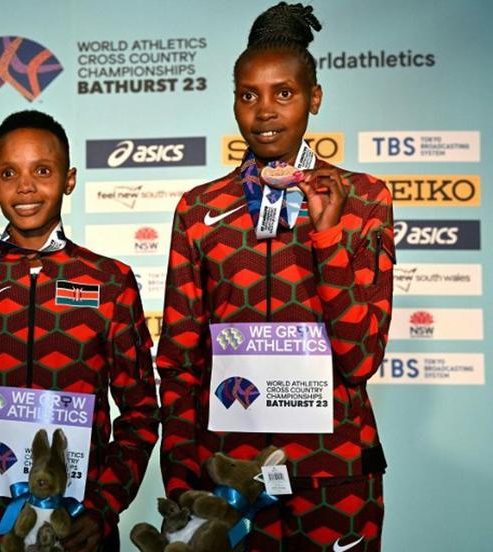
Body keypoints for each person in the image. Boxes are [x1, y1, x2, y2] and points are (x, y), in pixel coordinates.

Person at [157, 3, 394, 551]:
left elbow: (361, 358)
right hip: (228, 480)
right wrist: (181, 478)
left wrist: (328, 237)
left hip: (335, 475)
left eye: (283, 93)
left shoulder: (364, 199)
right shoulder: (199, 210)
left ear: (315, 97)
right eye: (248, 95)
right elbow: (179, 362)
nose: (264, 111)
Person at [0, 110, 159, 551]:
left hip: (77, 529)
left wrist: (103, 506)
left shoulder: (109, 281)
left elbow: (141, 414)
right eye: (9, 173)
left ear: (69, 179)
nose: (25, 187)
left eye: (42, 171)